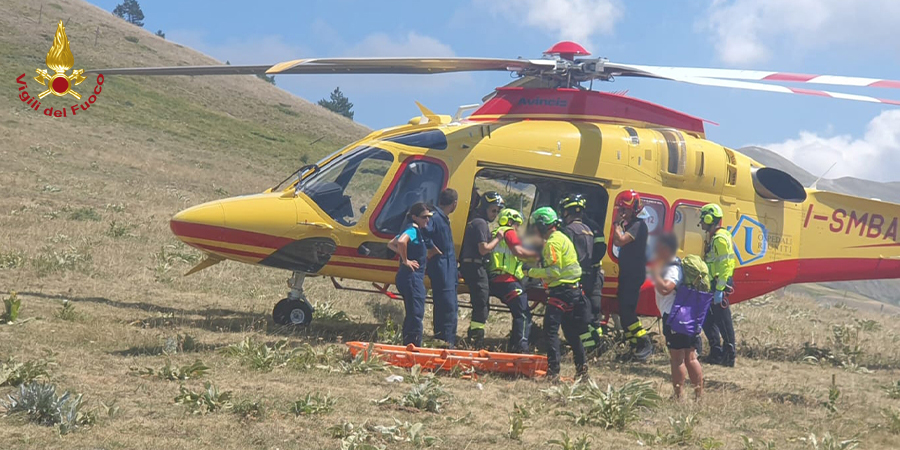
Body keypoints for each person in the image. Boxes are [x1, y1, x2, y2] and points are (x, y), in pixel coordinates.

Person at [527, 207, 590, 379]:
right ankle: (582, 370)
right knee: (571, 333)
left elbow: (554, 272)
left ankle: (553, 372)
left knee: (550, 331)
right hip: (574, 291)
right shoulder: (562, 237)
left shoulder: (552, 243)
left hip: (561, 292)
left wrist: (529, 273)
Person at [650, 233, 703, 400]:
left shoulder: (672, 268)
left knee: (678, 359)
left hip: (675, 318)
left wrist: (655, 275)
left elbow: (666, 288)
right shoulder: (676, 265)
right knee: (690, 357)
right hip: (687, 317)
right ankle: (698, 396)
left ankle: (678, 396)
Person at [559, 194, 608, 355]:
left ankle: (590, 345)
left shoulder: (569, 230)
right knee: (591, 312)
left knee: (577, 314)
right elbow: (601, 249)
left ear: (567, 212)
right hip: (592, 274)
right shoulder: (591, 228)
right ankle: (596, 344)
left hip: (577, 277)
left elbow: (564, 254)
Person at [487, 208, 538, 353]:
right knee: (523, 313)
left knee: (519, 312)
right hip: (507, 280)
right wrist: (538, 256)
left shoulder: (495, 232)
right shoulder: (509, 232)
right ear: (510, 221)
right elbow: (519, 252)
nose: (518, 228)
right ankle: (521, 348)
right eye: (517, 224)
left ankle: (513, 344)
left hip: (496, 278)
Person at [611, 190, 652, 361]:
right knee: (623, 311)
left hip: (634, 275)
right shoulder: (630, 225)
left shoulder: (638, 225)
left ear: (633, 210)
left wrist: (616, 225)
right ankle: (634, 345)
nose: (621, 213)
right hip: (627, 274)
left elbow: (620, 241)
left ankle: (643, 342)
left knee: (628, 313)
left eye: (624, 210)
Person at [459, 191, 503, 349]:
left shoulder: (476, 221)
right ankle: (476, 339)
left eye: (498, 211)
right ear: (485, 208)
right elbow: (483, 249)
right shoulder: (480, 223)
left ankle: (475, 334)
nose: (495, 214)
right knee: (482, 304)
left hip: (473, 265)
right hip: (475, 266)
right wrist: (498, 238)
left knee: (481, 303)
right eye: (493, 210)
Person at [387, 203, 433, 347]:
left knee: (412, 312)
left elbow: (391, 243)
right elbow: (401, 242)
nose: (427, 220)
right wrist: (406, 260)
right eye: (424, 217)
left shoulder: (415, 230)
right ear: (414, 217)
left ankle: (408, 344)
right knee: (416, 314)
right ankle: (413, 346)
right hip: (412, 278)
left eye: (429, 217)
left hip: (408, 277)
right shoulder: (413, 230)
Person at [699, 203, 737, 367]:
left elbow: (726, 265)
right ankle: (716, 352)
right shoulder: (715, 237)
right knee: (707, 319)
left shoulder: (720, 239)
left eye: (703, 219)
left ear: (710, 219)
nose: (701, 223)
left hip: (719, 283)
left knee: (723, 320)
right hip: (713, 282)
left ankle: (729, 356)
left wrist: (720, 289)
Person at [424, 188, 459, 347]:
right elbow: (424, 232)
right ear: (454, 204)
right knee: (448, 305)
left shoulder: (441, 218)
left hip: (447, 268)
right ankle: (447, 341)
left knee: (444, 304)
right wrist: (431, 248)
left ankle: (441, 338)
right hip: (442, 268)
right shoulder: (436, 218)